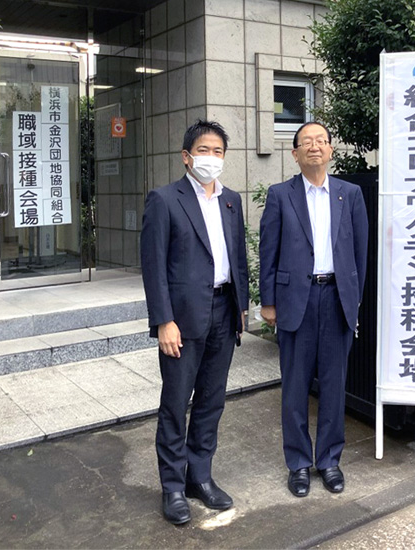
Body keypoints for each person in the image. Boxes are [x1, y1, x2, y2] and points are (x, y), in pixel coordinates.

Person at [141, 120, 249, 524]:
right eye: (204, 150)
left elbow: (238, 259)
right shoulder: (165, 199)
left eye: (218, 151)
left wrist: (241, 308)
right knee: (175, 404)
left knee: (211, 401)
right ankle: (172, 486)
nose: (211, 158)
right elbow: (153, 266)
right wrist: (163, 321)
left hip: (224, 311)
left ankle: (199, 476)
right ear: (187, 156)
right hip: (182, 319)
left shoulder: (231, 201)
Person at [259, 121, 368, 497]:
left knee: (335, 385)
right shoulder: (280, 195)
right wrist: (268, 302)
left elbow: (360, 252)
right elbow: (268, 251)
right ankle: (299, 463)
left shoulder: (350, 194)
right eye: (306, 141)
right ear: (295, 153)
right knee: (295, 386)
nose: (315, 146)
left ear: (331, 150)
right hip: (295, 301)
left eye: (321, 140)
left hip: (336, 298)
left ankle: (329, 460)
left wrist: (353, 298)